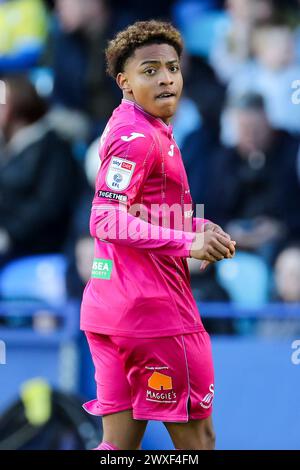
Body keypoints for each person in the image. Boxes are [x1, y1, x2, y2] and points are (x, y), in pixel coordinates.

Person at [80, 20, 236, 451]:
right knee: (198, 444)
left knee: (117, 448)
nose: (166, 78)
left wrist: (196, 226)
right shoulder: (137, 138)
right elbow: (105, 219)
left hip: (109, 311)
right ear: (124, 82)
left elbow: (140, 211)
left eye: (172, 67)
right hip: (156, 319)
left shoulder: (130, 125)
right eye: (150, 70)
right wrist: (189, 244)